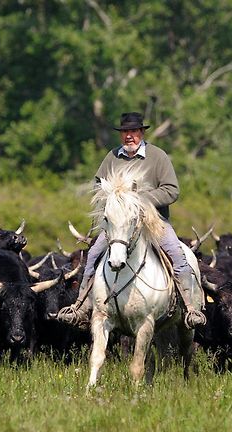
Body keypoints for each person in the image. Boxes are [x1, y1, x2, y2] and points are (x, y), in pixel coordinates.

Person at [57, 112, 206, 330]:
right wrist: (112, 198)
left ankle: (190, 309)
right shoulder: (112, 157)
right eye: (125, 132)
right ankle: (81, 308)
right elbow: (98, 184)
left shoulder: (158, 156)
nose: (129, 136)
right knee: (92, 257)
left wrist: (141, 199)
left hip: (154, 221)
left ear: (141, 133)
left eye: (133, 132)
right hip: (119, 225)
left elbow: (172, 190)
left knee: (178, 255)